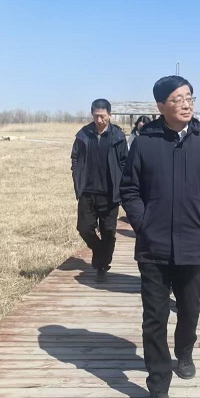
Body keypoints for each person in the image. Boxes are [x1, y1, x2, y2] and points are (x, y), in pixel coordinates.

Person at [120, 76, 200, 398]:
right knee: (153, 318)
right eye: (178, 99)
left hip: (192, 243)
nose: (186, 104)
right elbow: (129, 189)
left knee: (190, 308)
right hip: (152, 246)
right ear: (161, 106)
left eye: (189, 97)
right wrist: (142, 222)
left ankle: (184, 351)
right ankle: (157, 388)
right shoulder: (145, 143)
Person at [71, 99, 128, 281]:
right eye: (96, 116)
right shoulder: (83, 135)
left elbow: (125, 162)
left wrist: (122, 186)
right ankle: (99, 250)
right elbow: (75, 158)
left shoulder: (117, 136)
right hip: (87, 192)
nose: (99, 120)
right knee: (84, 228)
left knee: (108, 232)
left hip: (110, 194)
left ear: (110, 115)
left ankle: (102, 266)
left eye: (102, 116)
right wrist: (77, 175)